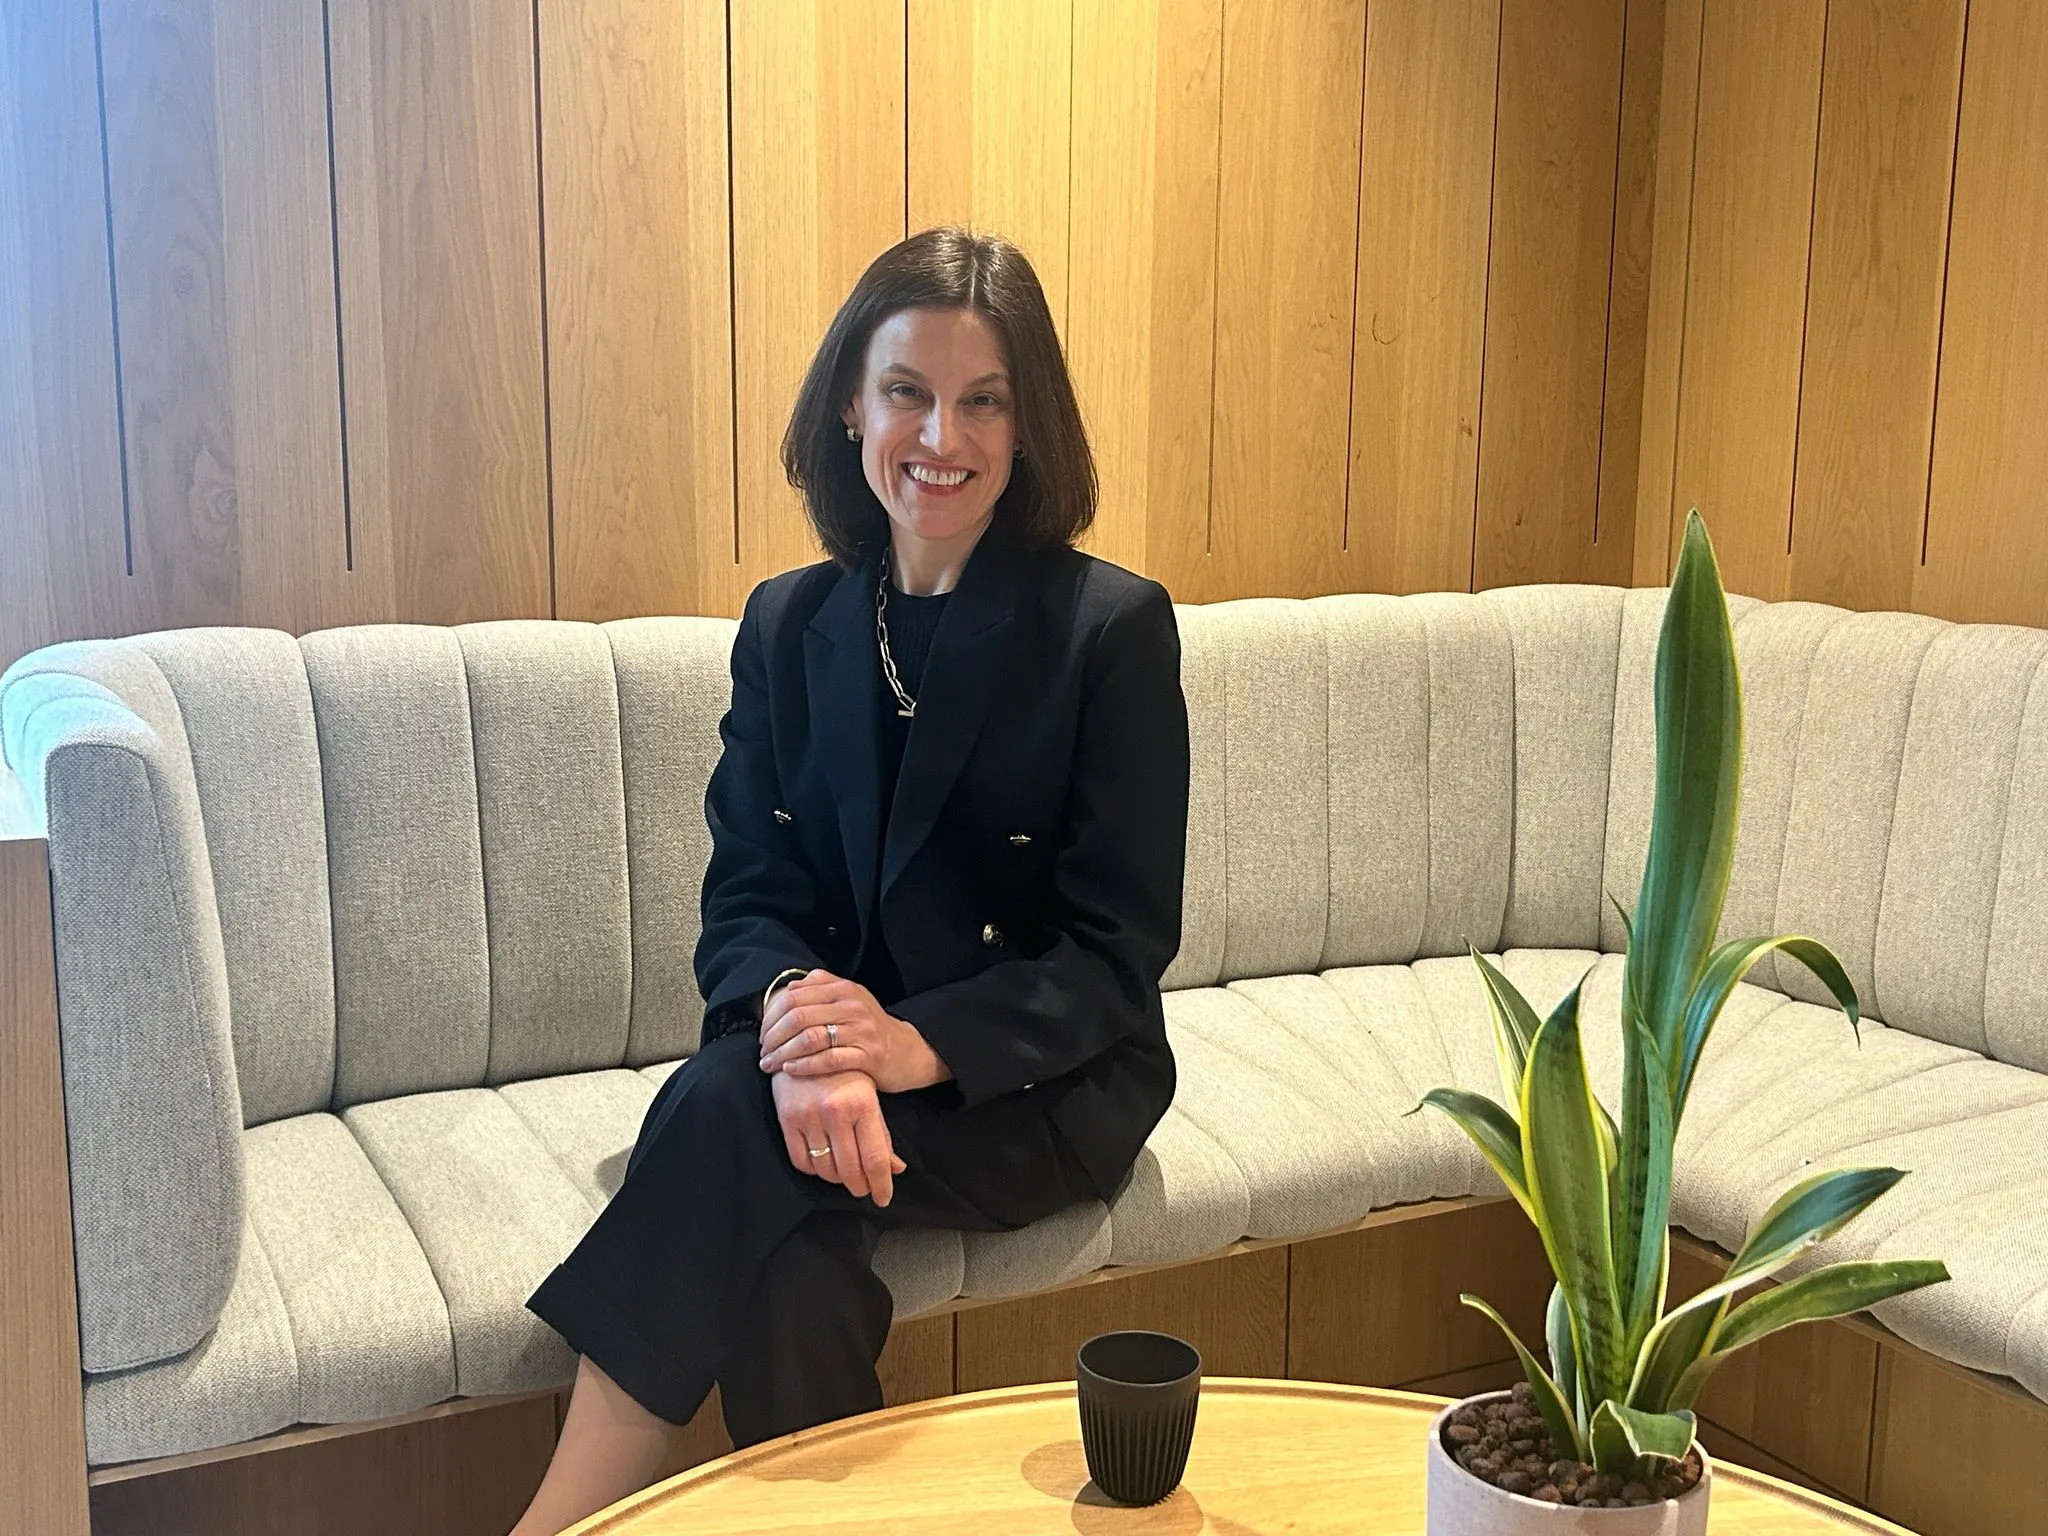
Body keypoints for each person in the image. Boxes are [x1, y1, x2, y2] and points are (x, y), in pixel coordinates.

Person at [509, 227, 1192, 1535]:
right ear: (849, 406)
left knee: (720, 1112)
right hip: (827, 1069)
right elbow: (746, 892)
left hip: (1026, 1087)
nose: (942, 435)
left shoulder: (1108, 631)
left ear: (1029, 426)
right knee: (785, 1267)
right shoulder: (788, 623)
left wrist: (903, 1048)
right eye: (907, 392)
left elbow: (1114, 955)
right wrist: (804, 1034)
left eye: (984, 400)